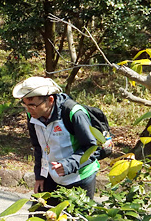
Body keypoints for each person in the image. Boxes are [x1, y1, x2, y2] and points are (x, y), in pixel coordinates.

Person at [12, 76, 99, 204]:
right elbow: (39, 147)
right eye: (25, 105)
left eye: (32, 105)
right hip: (52, 176)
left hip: (80, 177)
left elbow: (92, 149)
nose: (28, 110)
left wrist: (68, 164)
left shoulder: (74, 113)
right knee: (40, 218)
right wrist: (40, 176)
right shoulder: (33, 115)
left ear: (50, 100)